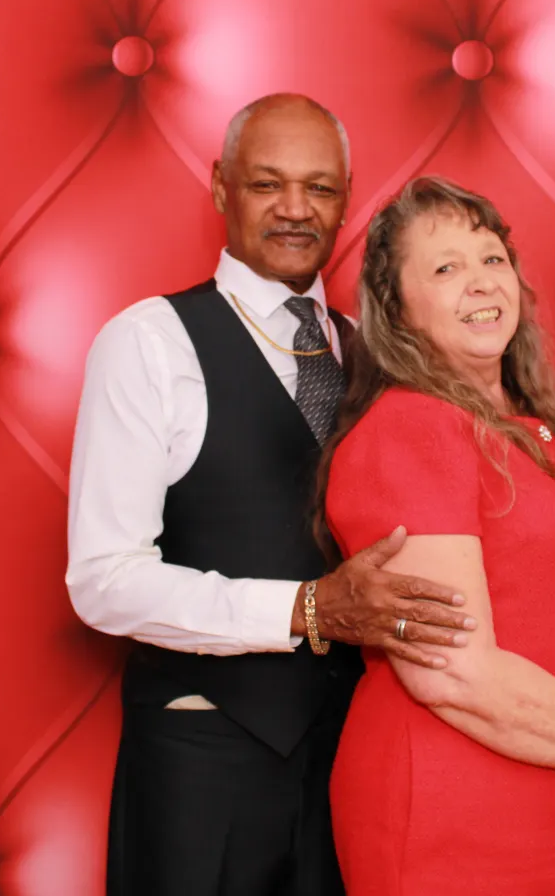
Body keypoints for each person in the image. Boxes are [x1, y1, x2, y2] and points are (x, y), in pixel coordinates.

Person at [65, 94, 479, 896]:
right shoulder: (148, 342)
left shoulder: (379, 356)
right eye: (267, 184)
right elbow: (103, 581)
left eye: (319, 188)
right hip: (203, 767)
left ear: (347, 197)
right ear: (220, 186)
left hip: (355, 764)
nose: (296, 209)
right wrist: (307, 609)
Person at [317, 175, 555, 894]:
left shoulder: (542, 429)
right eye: (445, 268)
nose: (482, 281)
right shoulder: (412, 430)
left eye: (492, 258)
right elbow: (454, 673)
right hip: (456, 813)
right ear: (397, 307)